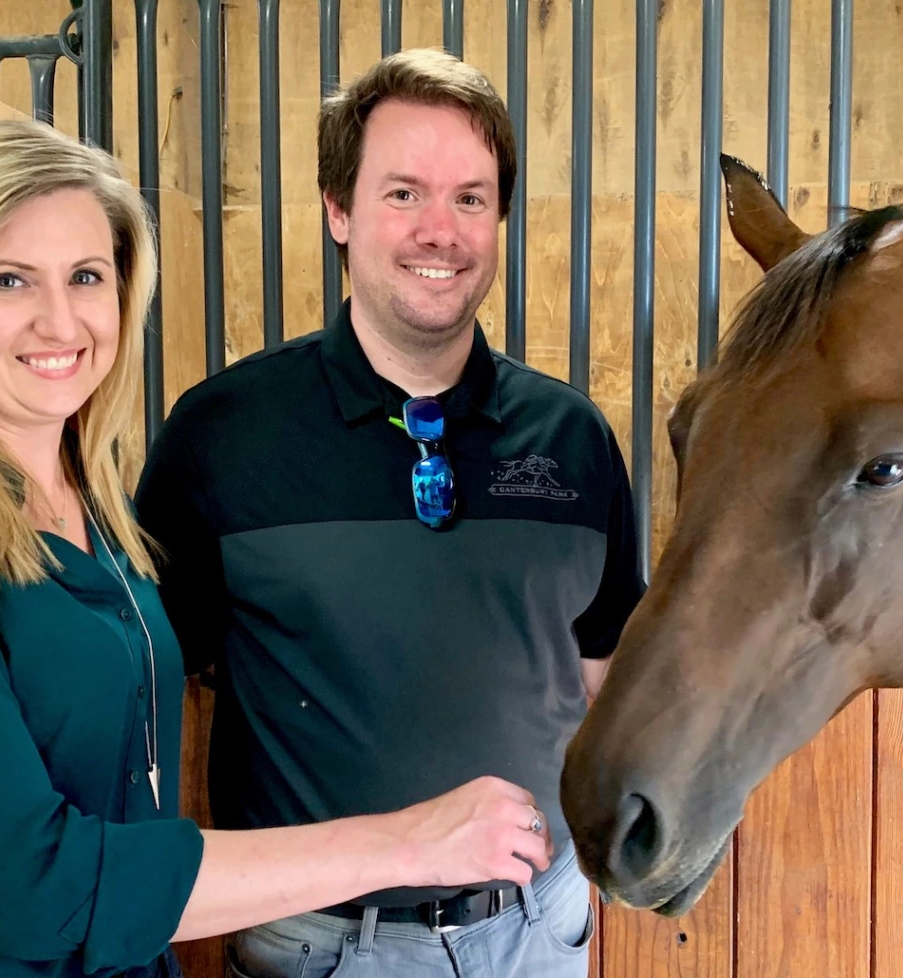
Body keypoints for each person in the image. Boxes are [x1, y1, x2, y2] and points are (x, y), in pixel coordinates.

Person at [0, 117, 554, 978]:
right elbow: (39, 886)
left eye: (87, 276)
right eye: (8, 280)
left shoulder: (98, 502)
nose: (61, 321)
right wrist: (408, 843)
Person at [135, 48, 644, 978]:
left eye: (471, 198)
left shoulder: (575, 439)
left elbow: (606, 673)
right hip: (321, 946)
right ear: (339, 208)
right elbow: (155, 686)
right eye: (403, 193)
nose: (439, 231)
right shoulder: (221, 437)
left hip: (541, 928)